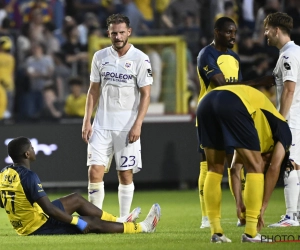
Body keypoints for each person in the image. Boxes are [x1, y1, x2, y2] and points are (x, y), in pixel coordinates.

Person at [196, 16, 275, 229]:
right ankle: (206, 217)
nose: (233, 36)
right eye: (229, 32)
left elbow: (238, 87)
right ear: (217, 32)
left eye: (235, 32)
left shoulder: (234, 57)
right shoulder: (207, 54)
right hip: (210, 114)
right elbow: (222, 85)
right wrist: (258, 81)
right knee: (209, 165)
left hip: (231, 116)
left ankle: (241, 209)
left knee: (236, 164)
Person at [0, 137, 161, 236]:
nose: (34, 150)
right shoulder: (29, 176)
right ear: (27, 154)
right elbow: (49, 210)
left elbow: (2, 203)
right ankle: (142, 228)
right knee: (91, 222)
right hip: (37, 226)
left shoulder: (4, 173)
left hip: (28, 221)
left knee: (76, 198)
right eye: (31, 148)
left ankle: (118, 220)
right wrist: (75, 222)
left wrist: (20, 213)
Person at [196, 84, 291, 243]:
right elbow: (274, 168)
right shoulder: (284, 131)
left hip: (206, 102)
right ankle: (251, 233)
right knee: (255, 167)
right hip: (234, 103)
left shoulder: (255, 133)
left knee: (214, 168)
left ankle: (216, 233)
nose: (266, 162)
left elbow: (234, 169)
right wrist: (262, 207)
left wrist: (239, 203)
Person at [82, 14, 152, 217]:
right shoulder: (100, 56)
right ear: (108, 33)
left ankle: (123, 219)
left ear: (129, 32)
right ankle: (95, 218)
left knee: (125, 173)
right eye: (114, 33)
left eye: (122, 32)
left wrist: (138, 124)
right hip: (101, 125)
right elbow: (93, 90)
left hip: (127, 126)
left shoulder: (140, 58)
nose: (118, 36)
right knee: (94, 171)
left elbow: (146, 94)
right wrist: (87, 120)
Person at [264, 12, 300, 227]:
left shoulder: (287, 56)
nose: (265, 34)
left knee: (290, 163)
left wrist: (280, 120)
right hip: (298, 114)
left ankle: (291, 216)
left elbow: (289, 90)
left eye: (267, 29)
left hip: (292, 117)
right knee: (297, 164)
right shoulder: (297, 52)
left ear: (277, 30)